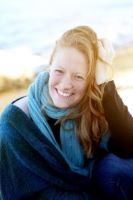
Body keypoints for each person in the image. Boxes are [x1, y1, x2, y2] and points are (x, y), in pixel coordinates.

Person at [0, 25, 133, 200]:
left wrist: (104, 82)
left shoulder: (88, 102)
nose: (65, 84)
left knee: (117, 171)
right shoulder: (14, 123)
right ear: (49, 67)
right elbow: (18, 193)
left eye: (78, 76)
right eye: (59, 71)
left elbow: (128, 145)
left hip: (85, 182)